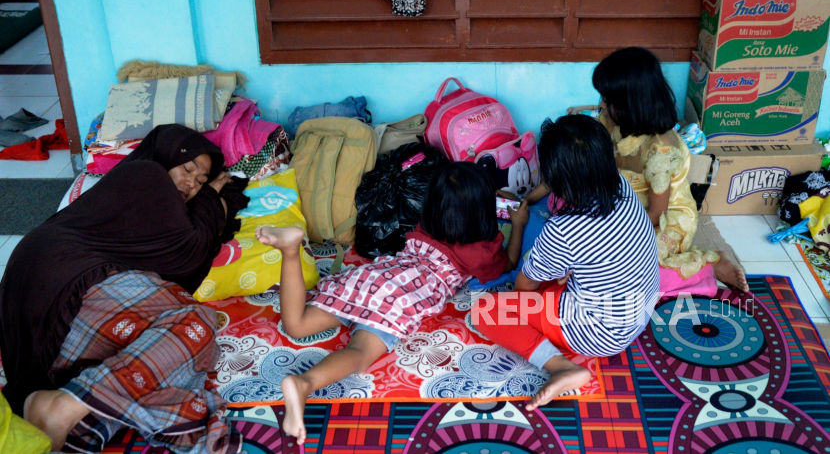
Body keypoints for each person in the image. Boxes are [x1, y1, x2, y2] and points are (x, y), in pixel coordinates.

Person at [0, 124, 245, 454]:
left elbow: (191, 244)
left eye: (201, 182)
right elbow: (193, 247)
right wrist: (210, 199)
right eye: (188, 169)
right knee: (197, 325)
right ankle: (62, 408)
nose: (191, 184)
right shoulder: (145, 176)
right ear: (166, 155)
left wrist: (209, 198)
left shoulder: (155, 214)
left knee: (156, 366)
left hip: (57, 318)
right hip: (64, 274)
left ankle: (64, 410)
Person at [256, 162, 526, 445]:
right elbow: (509, 263)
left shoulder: (426, 224)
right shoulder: (481, 251)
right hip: (401, 299)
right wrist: (517, 226)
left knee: (297, 325)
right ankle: (303, 384)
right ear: (480, 212)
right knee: (360, 354)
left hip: (374, 277)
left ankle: (290, 251)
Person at [474, 116, 661, 410]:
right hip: (638, 312)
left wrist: (522, 233)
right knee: (551, 279)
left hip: (598, 332)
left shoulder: (563, 232)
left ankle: (561, 366)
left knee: (485, 311)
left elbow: (524, 287)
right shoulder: (622, 187)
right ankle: (558, 297)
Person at [589, 47, 747, 294]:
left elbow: (654, 214)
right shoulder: (614, 121)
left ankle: (710, 262)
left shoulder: (661, 151)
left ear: (632, 103)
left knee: (627, 269)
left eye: (607, 100)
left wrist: (614, 236)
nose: (601, 105)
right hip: (627, 201)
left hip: (663, 219)